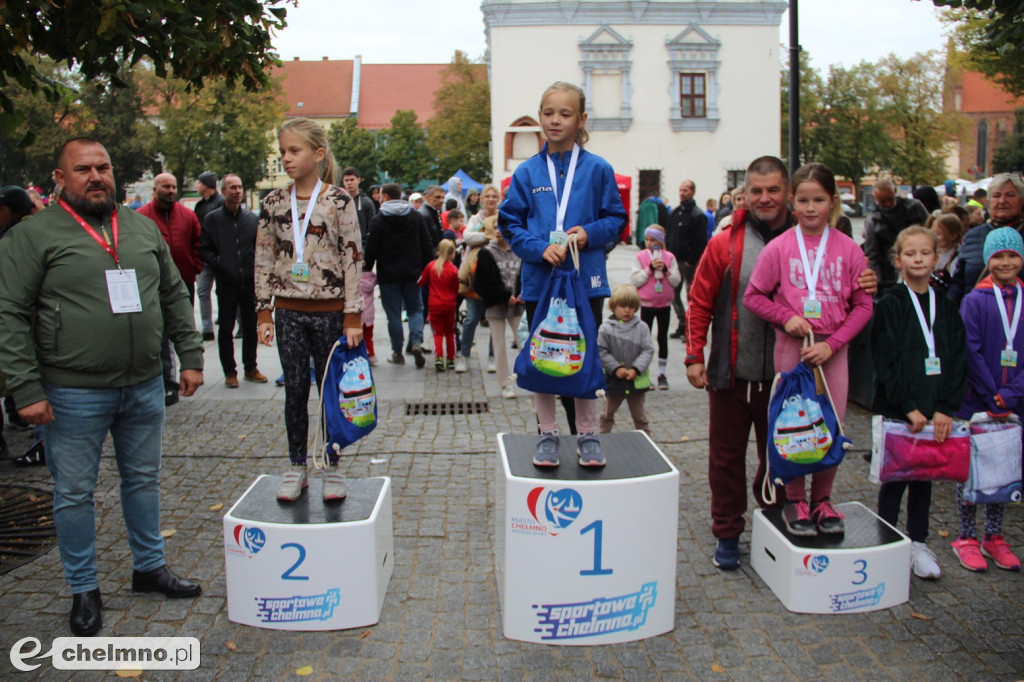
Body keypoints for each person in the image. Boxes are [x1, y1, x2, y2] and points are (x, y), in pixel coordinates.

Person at [0, 137, 205, 636]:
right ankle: (83, 589)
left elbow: (174, 293)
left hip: (142, 384)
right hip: (71, 391)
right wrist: (24, 389)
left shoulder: (137, 227)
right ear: (60, 177)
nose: (96, 177)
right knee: (73, 492)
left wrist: (191, 356)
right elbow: (9, 313)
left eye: (103, 167)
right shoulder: (33, 236)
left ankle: (148, 567)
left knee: (144, 480)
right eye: (83, 169)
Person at [687, 156, 878, 570]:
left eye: (774, 190)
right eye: (756, 191)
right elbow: (699, 300)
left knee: (786, 450)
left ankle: (780, 521)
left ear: (787, 195)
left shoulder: (830, 241)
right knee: (725, 460)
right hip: (732, 370)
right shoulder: (726, 241)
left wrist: (869, 279)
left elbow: (856, 292)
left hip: (788, 373)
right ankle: (728, 532)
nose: (765, 198)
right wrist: (693, 356)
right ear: (745, 194)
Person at [499, 80, 627, 468]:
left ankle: (588, 434)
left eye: (565, 114)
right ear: (540, 117)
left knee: (581, 353)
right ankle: (548, 432)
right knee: (545, 355)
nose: (555, 121)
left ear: (581, 119)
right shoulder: (526, 173)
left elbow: (616, 219)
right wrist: (539, 247)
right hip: (541, 280)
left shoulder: (598, 169)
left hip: (584, 280)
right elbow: (510, 223)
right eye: (548, 113)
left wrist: (589, 234)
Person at [743, 162, 874, 537]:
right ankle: (794, 499)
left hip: (833, 351)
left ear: (833, 202)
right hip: (793, 349)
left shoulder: (849, 250)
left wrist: (833, 345)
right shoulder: (780, 247)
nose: (811, 207)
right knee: (794, 425)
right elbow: (754, 296)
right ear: (791, 202)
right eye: (803, 200)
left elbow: (864, 305)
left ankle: (823, 499)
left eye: (819, 200)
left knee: (831, 423)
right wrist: (786, 318)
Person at [254, 118, 363, 503]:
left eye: (294, 150)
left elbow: (353, 258)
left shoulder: (338, 201)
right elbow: (264, 257)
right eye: (282, 151)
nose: (286, 158)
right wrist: (263, 312)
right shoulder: (272, 203)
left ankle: (331, 464)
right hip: (288, 313)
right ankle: (296, 465)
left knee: (330, 391)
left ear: (318, 154)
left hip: (331, 313)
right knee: (295, 390)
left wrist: (353, 315)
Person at [872, 226, 966, 580]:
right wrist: (908, 406)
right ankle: (885, 540)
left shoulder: (946, 305)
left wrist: (945, 407)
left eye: (925, 253)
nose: (918, 259)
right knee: (894, 479)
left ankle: (918, 543)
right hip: (901, 410)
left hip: (933, 410)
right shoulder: (890, 305)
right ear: (899, 260)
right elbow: (885, 361)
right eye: (910, 254)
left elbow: (958, 358)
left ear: (936, 257)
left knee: (924, 478)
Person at [952, 227, 1024, 573]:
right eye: (999, 256)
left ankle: (994, 535)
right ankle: (965, 535)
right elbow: (971, 350)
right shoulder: (975, 300)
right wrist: (991, 393)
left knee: (1004, 469)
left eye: (1012, 255)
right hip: (977, 401)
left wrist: (1010, 394)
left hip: (1013, 404)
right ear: (988, 260)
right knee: (970, 469)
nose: (1006, 262)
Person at [138, 173, 204, 406]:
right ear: (155, 188)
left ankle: (181, 376)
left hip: (183, 282)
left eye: (174, 186)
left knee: (183, 329)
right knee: (159, 336)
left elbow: (199, 243)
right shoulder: (141, 217)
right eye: (166, 186)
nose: (171, 190)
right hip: (152, 285)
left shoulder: (187, 216)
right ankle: (165, 383)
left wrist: (194, 267)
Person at [199, 174, 266, 388]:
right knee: (226, 328)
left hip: (249, 281)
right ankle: (229, 371)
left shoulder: (251, 219)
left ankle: (250, 367)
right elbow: (204, 248)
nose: (238, 191)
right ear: (223, 191)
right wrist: (220, 262)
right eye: (233, 187)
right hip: (226, 282)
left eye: (240, 187)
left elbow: (260, 247)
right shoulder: (213, 219)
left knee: (249, 326)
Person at [365, 183, 433, 368]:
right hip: (413, 273)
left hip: (388, 276)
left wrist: (367, 268)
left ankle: (397, 352)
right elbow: (426, 243)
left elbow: (371, 248)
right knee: (415, 309)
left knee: (393, 315)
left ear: (385, 196)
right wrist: (429, 266)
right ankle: (416, 342)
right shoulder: (414, 216)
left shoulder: (378, 220)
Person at [948, 173, 1024, 306]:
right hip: (975, 317)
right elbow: (959, 283)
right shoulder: (973, 235)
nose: (1002, 201)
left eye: (1010, 195)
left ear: (1022, 201)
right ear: (988, 201)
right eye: (996, 196)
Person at [473, 216, 524, 398]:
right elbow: (480, 284)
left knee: (525, 344)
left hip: (518, 304)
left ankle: (536, 380)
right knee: (499, 346)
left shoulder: (518, 249)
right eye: (494, 227)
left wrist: (522, 293)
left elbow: (525, 276)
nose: (497, 230)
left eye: (500, 226)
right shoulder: (486, 252)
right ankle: (505, 385)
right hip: (496, 304)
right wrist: (504, 297)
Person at [597, 284, 655, 435]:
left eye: (631, 306)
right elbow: (601, 351)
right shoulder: (606, 328)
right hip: (613, 380)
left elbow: (648, 349)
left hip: (636, 380)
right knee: (606, 414)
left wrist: (636, 369)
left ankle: (646, 441)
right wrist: (616, 368)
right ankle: (602, 439)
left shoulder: (641, 327)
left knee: (640, 416)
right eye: (623, 306)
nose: (627, 310)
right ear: (613, 307)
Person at [630, 225, 680, 390]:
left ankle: (662, 373)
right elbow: (635, 280)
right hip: (646, 304)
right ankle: (644, 373)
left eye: (653, 240)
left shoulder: (669, 257)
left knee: (662, 338)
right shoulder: (640, 257)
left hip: (664, 304)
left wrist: (665, 270)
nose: (650, 243)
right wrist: (649, 269)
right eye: (647, 240)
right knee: (645, 340)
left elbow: (676, 281)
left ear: (660, 241)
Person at [341, 167, 380, 367]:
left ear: (358, 180)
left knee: (364, 302)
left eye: (352, 179)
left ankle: (367, 347)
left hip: (361, 256)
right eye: (346, 179)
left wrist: (366, 256)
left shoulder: (365, 203)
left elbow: (370, 230)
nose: (349, 183)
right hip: (343, 254)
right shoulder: (339, 200)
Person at [863, 179, 930, 292]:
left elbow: (930, 230)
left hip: (918, 262)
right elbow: (872, 254)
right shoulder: (873, 220)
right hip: (888, 271)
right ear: (876, 200)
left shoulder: (915, 207)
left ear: (895, 191)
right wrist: (876, 281)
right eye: (883, 201)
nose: (888, 204)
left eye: (890, 198)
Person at [666, 179, 707, 340]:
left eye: (686, 190)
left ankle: (691, 327)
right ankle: (682, 322)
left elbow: (701, 241)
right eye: (681, 189)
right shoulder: (675, 212)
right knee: (673, 294)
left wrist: (691, 259)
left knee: (691, 295)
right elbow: (669, 235)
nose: (682, 193)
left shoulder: (698, 215)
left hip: (689, 262)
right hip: (674, 262)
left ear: (693, 192)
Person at [418, 239, 460, 371]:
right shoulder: (454, 270)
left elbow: (421, 281)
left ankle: (439, 357)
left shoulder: (431, 266)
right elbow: (456, 288)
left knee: (437, 333)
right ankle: (451, 358)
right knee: (450, 332)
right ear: (452, 254)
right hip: (450, 304)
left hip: (434, 304)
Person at [193, 171, 223, 342]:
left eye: (199, 182)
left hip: (220, 255)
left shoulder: (221, 203)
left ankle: (229, 319)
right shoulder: (199, 206)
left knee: (223, 290)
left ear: (206, 185)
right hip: (204, 255)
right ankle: (207, 327)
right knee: (203, 291)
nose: (197, 185)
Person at [455, 230, 490, 373]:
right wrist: (488, 236)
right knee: (471, 319)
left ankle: (493, 357)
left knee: (495, 322)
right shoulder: (476, 220)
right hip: (472, 287)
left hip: (492, 288)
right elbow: (467, 237)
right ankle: (464, 356)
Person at [930, 213, 963, 294]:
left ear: (953, 236)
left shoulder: (958, 257)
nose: (934, 237)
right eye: (933, 233)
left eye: (939, 234)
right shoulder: (932, 253)